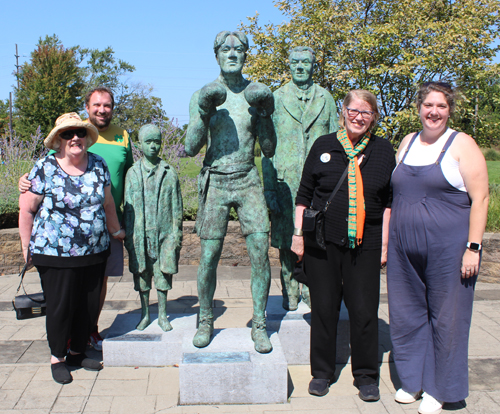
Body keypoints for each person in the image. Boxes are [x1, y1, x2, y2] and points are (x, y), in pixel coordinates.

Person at [387, 82, 489, 414]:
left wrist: (473, 247)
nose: (434, 112)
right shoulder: (407, 142)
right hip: (405, 250)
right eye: (429, 105)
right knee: (406, 315)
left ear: (449, 110)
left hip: (449, 250)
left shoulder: (462, 144)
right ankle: (412, 380)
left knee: (447, 319)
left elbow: (481, 198)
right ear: (419, 108)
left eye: (441, 106)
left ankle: (440, 389)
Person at [291, 90, 395, 401]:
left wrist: (386, 244)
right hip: (322, 243)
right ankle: (321, 373)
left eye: (366, 112)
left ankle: (365, 376)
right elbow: (304, 194)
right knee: (324, 308)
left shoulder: (384, 151)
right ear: (344, 112)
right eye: (354, 110)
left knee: (364, 311)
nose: (359, 116)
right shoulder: (324, 145)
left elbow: (389, 202)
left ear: (374, 117)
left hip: (366, 243)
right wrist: (298, 235)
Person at [19, 86, 133, 351]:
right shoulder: (55, 155)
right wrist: (23, 181)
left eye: (107, 105)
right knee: (65, 295)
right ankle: (63, 347)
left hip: (102, 231)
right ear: (87, 108)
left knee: (95, 288)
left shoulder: (122, 137)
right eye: (97, 105)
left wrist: (119, 229)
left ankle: (87, 334)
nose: (102, 110)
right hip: (59, 244)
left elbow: (126, 180)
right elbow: (37, 186)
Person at [185, 30, 276, 353]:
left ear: (246, 55)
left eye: (239, 49)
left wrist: (265, 113)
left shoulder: (255, 94)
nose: (233, 54)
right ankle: (206, 320)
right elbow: (190, 146)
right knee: (208, 257)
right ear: (217, 55)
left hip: (247, 179)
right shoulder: (203, 93)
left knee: (260, 255)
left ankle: (260, 323)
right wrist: (204, 112)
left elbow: (268, 148)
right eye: (226, 49)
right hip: (217, 181)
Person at [263, 46, 338, 311]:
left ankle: (309, 286)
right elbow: (266, 148)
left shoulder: (326, 98)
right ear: (289, 65)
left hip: (320, 184)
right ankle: (290, 289)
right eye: (295, 62)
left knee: (316, 237)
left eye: (305, 62)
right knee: (286, 240)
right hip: (286, 183)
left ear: (313, 66)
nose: (300, 67)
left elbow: (337, 139)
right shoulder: (276, 98)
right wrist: (269, 188)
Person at [123, 124, 183, 332]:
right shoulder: (132, 173)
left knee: (163, 274)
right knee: (142, 275)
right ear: (140, 144)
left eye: (157, 142)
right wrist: (129, 236)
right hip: (140, 234)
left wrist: (176, 234)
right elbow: (128, 207)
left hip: (164, 233)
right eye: (148, 142)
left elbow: (177, 207)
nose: (153, 146)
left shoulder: (169, 172)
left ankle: (163, 315)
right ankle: (145, 314)